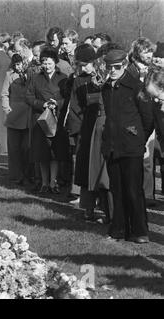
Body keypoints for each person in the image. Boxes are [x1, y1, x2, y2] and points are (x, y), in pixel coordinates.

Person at [101, 49, 154, 243]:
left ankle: (140, 231)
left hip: (131, 146)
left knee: (133, 189)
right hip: (112, 146)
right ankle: (118, 229)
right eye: (109, 67)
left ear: (124, 65)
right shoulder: (106, 87)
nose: (112, 71)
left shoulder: (136, 86)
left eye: (116, 67)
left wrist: (138, 137)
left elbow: (148, 118)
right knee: (117, 189)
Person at [70, 43, 112, 223]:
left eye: (86, 63)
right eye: (80, 64)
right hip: (87, 128)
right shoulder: (79, 80)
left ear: (94, 61)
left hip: (105, 125)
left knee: (104, 169)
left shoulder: (106, 76)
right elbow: (75, 107)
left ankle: (107, 208)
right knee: (87, 168)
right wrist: (77, 132)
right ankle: (88, 209)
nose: (83, 67)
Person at [26, 47, 69, 194]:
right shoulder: (36, 78)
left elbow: (68, 98)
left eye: (49, 63)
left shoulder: (63, 78)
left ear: (55, 63)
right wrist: (42, 104)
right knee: (42, 153)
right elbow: (29, 97)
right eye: (44, 63)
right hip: (40, 119)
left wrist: (57, 103)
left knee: (55, 153)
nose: (46, 66)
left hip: (56, 119)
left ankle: (53, 182)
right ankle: (44, 182)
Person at [127, 37, 157, 206]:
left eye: (150, 51)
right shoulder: (129, 70)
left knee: (148, 160)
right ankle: (134, 193)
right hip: (134, 118)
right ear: (138, 52)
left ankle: (147, 195)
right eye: (146, 51)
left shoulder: (154, 70)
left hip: (150, 118)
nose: (149, 54)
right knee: (135, 158)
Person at [1, 53, 33, 185]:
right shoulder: (9, 75)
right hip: (14, 113)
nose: (18, 66)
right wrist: (7, 108)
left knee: (27, 147)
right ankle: (15, 175)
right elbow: (4, 93)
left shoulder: (31, 75)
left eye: (20, 64)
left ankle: (28, 174)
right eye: (16, 64)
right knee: (14, 147)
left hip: (28, 113)